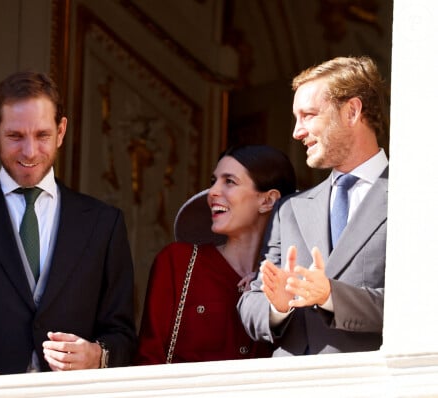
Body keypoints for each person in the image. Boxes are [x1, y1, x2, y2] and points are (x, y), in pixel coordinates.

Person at [0, 71, 137, 378]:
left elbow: (123, 334)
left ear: (61, 131)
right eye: (16, 136)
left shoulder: (104, 224)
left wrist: (97, 355)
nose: (30, 152)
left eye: (42, 135)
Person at [238, 56, 389, 356]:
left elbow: (422, 304)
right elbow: (251, 301)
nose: (297, 132)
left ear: (352, 111)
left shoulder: (416, 198)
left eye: (308, 115)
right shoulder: (289, 209)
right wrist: (277, 305)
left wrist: (331, 295)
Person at [135, 145, 297, 365]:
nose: (212, 192)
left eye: (229, 181)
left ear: (267, 201)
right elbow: (149, 358)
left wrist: (268, 298)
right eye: (214, 181)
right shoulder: (178, 262)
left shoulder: (292, 281)